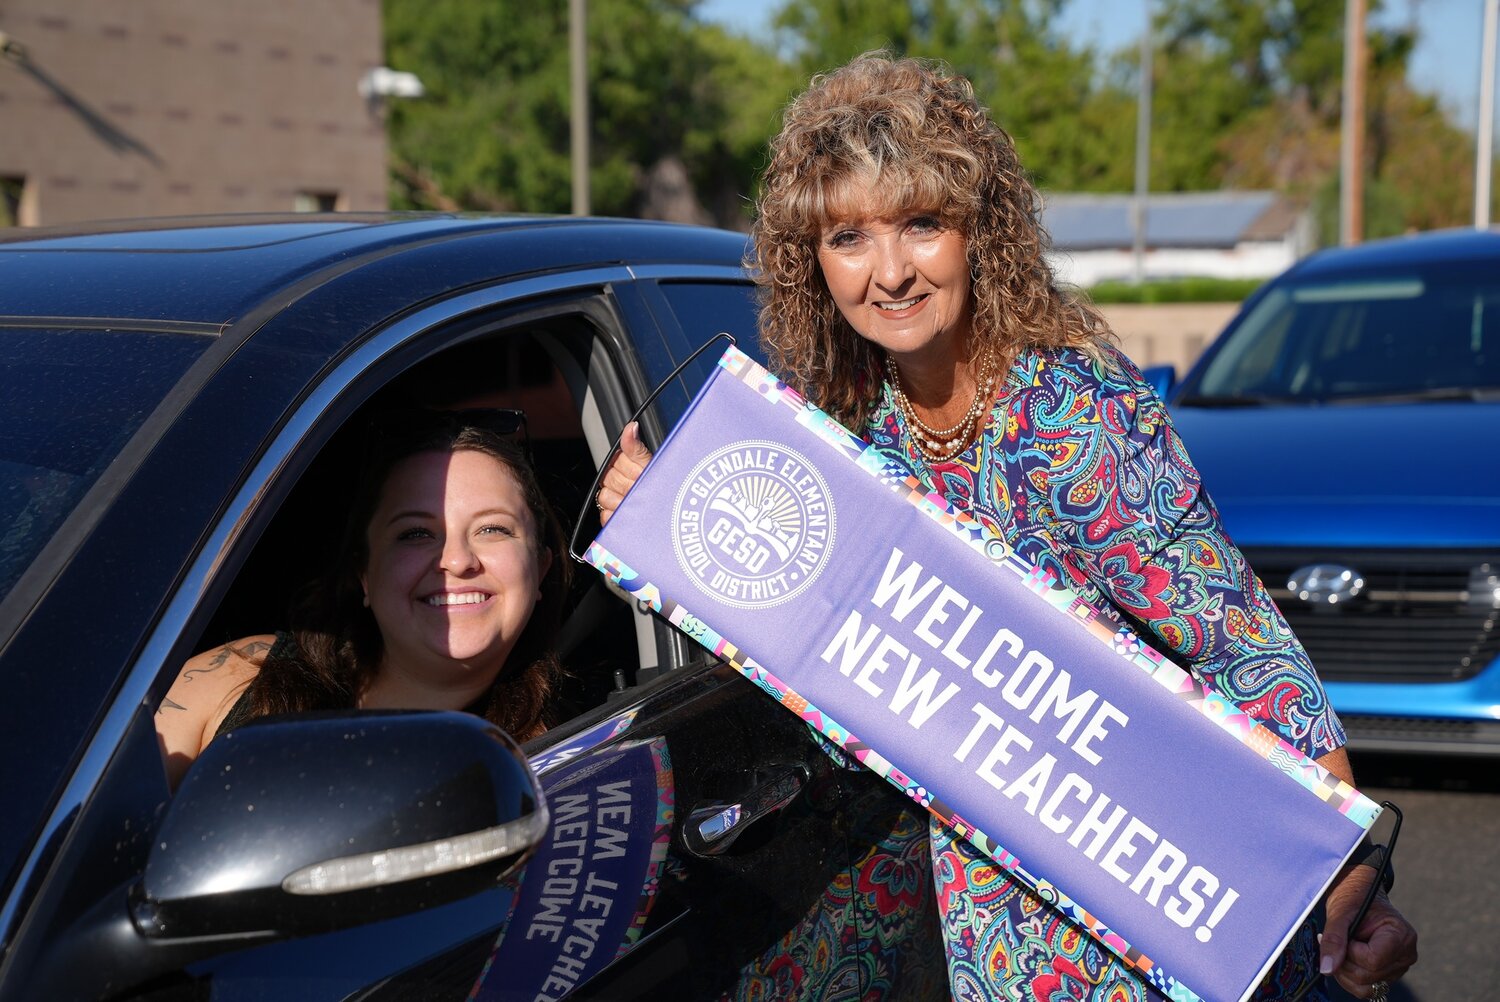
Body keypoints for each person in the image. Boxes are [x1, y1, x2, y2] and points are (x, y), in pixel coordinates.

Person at [598, 52, 1417, 1001]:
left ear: (979, 233)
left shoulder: (1074, 416)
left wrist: (1350, 874)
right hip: (980, 935)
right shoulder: (852, 434)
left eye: (921, 224)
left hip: (1140, 928)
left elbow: (1246, 653)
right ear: (810, 262)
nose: (891, 271)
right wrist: (662, 526)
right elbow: (825, 656)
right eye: (849, 237)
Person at [158, 411, 569, 790]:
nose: (458, 561)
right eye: (415, 533)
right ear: (364, 575)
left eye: (493, 529)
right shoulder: (239, 677)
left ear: (541, 568)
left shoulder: (557, 772)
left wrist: (636, 542)